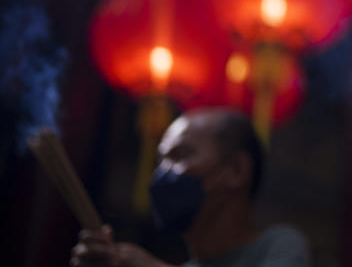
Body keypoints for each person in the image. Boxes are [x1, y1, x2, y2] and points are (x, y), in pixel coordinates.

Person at [71, 108, 310, 267]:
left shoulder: (279, 246)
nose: (160, 174)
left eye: (180, 155)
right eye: (160, 161)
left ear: (236, 170)